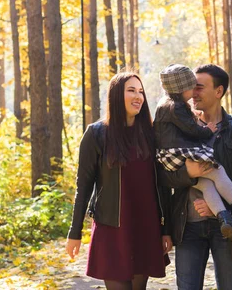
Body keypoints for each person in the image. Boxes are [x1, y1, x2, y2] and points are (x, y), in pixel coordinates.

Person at [157, 64, 232, 290]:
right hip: (186, 225)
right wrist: (188, 173)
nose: (192, 93)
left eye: (198, 87)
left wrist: (219, 205)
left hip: (226, 227)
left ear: (218, 91)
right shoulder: (178, 124)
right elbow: (162, 177)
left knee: (229, 286)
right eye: (190, 87)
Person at [66, 72, 173, 290]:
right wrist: (74, 233)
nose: (138, 96)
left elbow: (163, 185)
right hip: (112, 228)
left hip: (145, 225)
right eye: (131, 90)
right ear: (116, 95)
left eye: (141, 91)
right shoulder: (96, 134)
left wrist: (166, 229)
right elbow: (83, 187)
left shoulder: (151, 135)